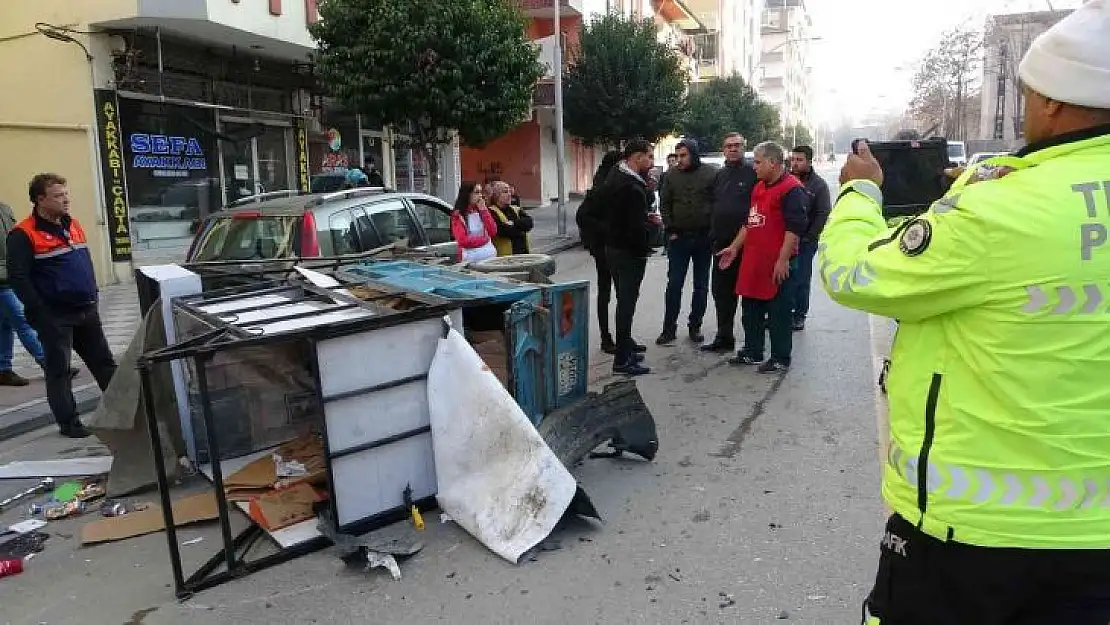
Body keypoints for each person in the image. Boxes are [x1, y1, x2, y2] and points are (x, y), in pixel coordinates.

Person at [822, 3, 1110, 622]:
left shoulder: (999, 212)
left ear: (1055, 102)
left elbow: (852, 274)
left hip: (976, 536)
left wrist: (859, 193)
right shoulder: (998, 199)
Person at [7, 174, 117, 438]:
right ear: (40, 199)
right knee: (60, 371)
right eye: (58, 195)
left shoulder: (74, 225)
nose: (66, 199)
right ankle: (70, 423)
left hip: (86, 309)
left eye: (66, 193)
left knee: (104, 363)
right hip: (55, 316)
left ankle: (123, 410)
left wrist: (93, 294)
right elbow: (18, 277)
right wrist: (40, 311)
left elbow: (84, 262)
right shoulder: (23, 234)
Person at [716, 142, 808, 373]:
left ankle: (780, 358)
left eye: (757, 162)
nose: (754, 167)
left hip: (778, 263)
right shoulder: (758, 187)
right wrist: (734, 247)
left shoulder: (791, 189)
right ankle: (753, 351)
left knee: (778, 314)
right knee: (751, 310)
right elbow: (751, 222)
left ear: (772, 163)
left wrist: (783, 259)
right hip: (755, 261)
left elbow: (794, 229)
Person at [603, 140, 657, 376]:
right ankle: (622, 359)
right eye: (649, 157)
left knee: (624, 301)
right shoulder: (630, 186)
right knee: (626, 303)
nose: (652, 162)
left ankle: (625, 346)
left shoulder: (617, 175)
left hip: (615, 248)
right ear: (637, 158)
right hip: (627, 252)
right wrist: (652, 231)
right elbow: (636, 229)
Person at [657, 139, 717, 345]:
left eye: (684, 155)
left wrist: (712, 229)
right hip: (679, 239)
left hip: (703, 239)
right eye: (678, 156)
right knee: (674, 284)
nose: (680, 160)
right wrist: (670, 228)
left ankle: (695, 326)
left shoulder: (711, 174)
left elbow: (717, 202)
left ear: (693, 154)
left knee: (701, 286)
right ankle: (668, 328)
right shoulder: (671, 176)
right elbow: (664, 204)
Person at [702, 133, 757, 353]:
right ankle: (724, 337)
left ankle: (753, 343)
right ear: (723, 150)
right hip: (721, 244)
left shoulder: (753, 173)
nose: (733, 149)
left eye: (737, 145)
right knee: (722, 293)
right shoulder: (719, 175)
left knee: (750, 294)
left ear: (744, 148)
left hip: (747, 244)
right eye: (729, 146)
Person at [577, 150, 634, 355]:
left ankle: (624, 336)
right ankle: (606, 337)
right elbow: (582, 217)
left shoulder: (618, 184)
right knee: (606, 292)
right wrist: (607, 229)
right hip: (604, 248)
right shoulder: (602, 188)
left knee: (623, 293)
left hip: (617, 246)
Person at [0, 202, 45, 386]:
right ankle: (49, 363)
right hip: (2, 280)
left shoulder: (5, 208)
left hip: (11, 273)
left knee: (4, 326)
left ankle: (3, 369)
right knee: (22, 320)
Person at [787, 145, 831, 331]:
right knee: (783, 278)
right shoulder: (785, 180)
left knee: (801, 278)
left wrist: (809, 237)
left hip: (805, 242)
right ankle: (782, 312)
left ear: (809, 161)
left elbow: (822, 213)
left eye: (799, 160)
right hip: (785, 239)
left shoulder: (818, 185)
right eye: (793, 160)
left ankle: (799, 315)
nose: (795, 164)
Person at [450, 182, 498, 263]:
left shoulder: (482, 211)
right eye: (476, 192)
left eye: (480, 192)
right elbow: (463, 240)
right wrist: (484, 240)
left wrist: (484, 211)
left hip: (489, 258)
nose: (480, 196)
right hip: (470, 259)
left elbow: (493, 231)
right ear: (467, 195)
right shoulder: (458, 215)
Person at [487, 181, 533, 256]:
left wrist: (513, 223)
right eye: (505, 192)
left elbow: (529, 223)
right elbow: (503, 230)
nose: (509, 194)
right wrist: (521, 229)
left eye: (509, 191)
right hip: (505, 257)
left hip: (523, 254)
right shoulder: (491, 211)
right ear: (496, 195)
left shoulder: (516, 209)